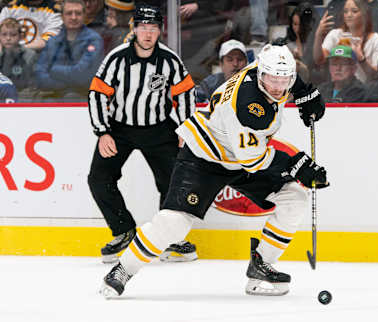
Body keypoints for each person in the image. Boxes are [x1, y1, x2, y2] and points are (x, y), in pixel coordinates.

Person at [99, 44, 329, 298]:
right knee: (174, 223)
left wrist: (305, 93)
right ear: (261, 76)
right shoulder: (250, 108)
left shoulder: (260, 70)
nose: (277, 87)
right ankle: (122, 270)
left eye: (283, 80)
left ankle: (261, 266)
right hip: (204, 157)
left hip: (237, 154)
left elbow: (282, 75)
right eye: (273, 80)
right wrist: (296, 164)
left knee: (294, 197)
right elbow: (253, 161)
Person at [87, 4, 198, 264]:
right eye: (143, 27)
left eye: (153, 28)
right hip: (119, 128)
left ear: (160, 31)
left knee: (173, 182)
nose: (148, 34)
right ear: (134, 29)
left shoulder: (170, 60)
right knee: (99, 178)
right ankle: (124, 232)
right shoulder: (116, 58)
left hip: (159, 129)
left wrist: (185, 129)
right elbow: (97, 93)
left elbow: (185, 94)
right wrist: (103, 132)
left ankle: (171, 238)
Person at [34, 0, 103, 101]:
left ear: (84, 15)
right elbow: (40, 77)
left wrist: (53, 70)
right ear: (62, 16)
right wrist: (68, 83)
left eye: (78, 13)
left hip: (83, 98)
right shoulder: (53, 41)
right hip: (53, 97)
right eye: (69, 13)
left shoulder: (94, 39)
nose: (73, 17)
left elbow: (83, 76)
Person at [313, 0, 378, 83]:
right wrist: (318, 35)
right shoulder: (335, 35)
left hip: (365, 91)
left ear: (365, 14)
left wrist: (361, 58)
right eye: (345, 11)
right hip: (339, 89)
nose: (349, 15)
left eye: (354, 11)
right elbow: (319, 60)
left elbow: (376, 76)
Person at [195, 39, 248, 103]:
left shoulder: (257, 84)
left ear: (246, 63)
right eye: (230, 60)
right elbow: (192, 103)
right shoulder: (209, 85)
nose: (235, 64)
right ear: (221, 64)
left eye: (240, 59)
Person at [0, 18, 37, 99]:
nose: (8, 38)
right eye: (4, 34)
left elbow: (33, 87)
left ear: (21, 36)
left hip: (23, 99)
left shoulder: (30, 56)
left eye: (13, 35)